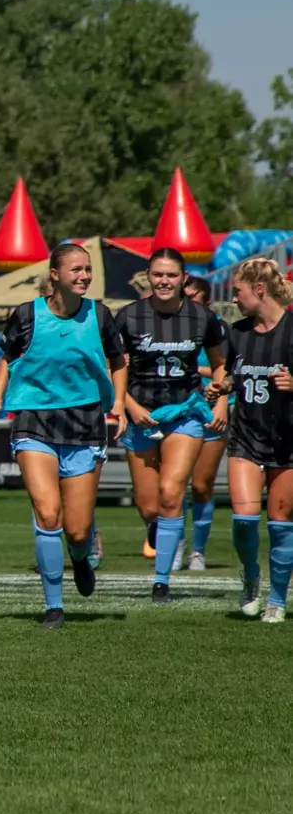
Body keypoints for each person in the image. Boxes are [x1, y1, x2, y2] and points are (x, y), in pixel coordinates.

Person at [0, 243, 128, 629]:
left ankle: (80, 557)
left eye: (88, 269)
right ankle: (54, 606)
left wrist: (121, 404)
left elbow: (118, 361)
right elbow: (8, 358)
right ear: (55, 274)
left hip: (85, 423)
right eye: (76, 269)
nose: (84, 276)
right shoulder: (27, 315)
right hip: (34, 421)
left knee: (77, 529)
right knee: (48, 513)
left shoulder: (100, 316)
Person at [112, 249, 228, 603]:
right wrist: (129, 406)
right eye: (158, 275)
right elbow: (112, 368)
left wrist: (221, 400)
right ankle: (158, 529)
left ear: (183, 279)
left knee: (171, 492)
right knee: (149, 506)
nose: (164, 281)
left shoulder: (201, 317)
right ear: (148, 276)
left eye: (172, 275)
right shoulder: (127, 318)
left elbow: (222, 364)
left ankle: (161, 581)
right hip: (141, 416)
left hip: (186, 412)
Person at [206, 258, 293, 623]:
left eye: (238, 290)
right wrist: (221, 388)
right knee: (243, 519)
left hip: (288, 441)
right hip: (246, 438)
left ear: (259, 290)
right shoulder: (237, 332)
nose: (234, 297)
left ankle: (276, 597)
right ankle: (251, 577)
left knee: (279, 523)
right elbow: (230, 372)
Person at [185, 275, 227, 570]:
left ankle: (197, 551)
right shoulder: (165, 325)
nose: (188, 303)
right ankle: (172, 544)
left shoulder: (219, 328)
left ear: (206, 301)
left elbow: (225, 370)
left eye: (194, 297)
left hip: (211, 410)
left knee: (201, 485)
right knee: (169, 488)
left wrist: (223, 402)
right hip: (175, 412)